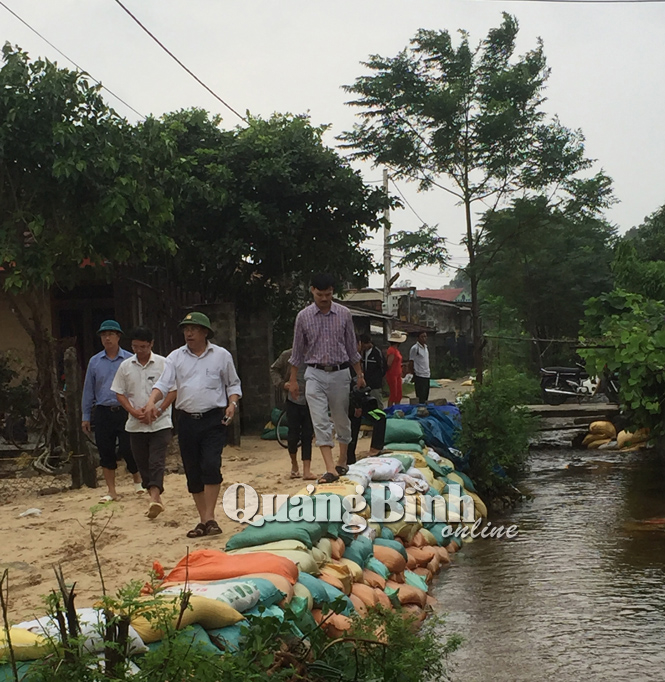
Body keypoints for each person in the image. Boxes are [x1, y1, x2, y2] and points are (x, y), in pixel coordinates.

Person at [144, 312, 241, 538]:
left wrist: (232, 405)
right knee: (193, 471)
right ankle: (204, 519)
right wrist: (151, 401)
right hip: (187, 420)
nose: (189, 333)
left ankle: (210, 517)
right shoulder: (175, 357)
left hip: (213, 419)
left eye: (194, 329)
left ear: (205, 332)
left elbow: (233, 385)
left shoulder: (221, 356)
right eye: (186, 329)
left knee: (210, 464)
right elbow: (164, 383)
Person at [289, 273, 365, 484]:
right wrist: (293, 380)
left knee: (341, 418)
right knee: (320, 420)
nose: (324, 298)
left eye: (328, 294)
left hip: (340, 372)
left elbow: (352, 348)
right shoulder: (303, 317)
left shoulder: (344, 314)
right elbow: (296, 351)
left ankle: (342, 460)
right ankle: (329, 468)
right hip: (313, 373)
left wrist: (359, 375)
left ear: (333, 292)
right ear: (312, 290)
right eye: (320, 294)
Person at [111, 327, 177, 519]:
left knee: (156, 460)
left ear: (151, 345)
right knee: (142, 462)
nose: (138, 350)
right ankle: (155, 498)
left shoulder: (164, 364)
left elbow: (173, 390)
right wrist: (132, 410)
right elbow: (119, 392)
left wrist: (160, 409)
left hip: (160, 422)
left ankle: (154, 497)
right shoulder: (125, 366)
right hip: (136, 423)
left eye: (142, 346)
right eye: (135, 347)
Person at [82, 320, 142, 502]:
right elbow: (88, 390)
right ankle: (111, 490)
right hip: (103, 411)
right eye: (103, 335)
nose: (107, 338)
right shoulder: (95, 362)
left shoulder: (130, 359)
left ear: (118, 337)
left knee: (128, 447)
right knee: (105, 450)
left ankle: (138, 481)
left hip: (125, 410)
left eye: (110, 334)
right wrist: (85, 416)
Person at [270, 349, 315, 480]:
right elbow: (273, 369)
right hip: (292, 400)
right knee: (293, 434)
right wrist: (283, 384)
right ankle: (294, 465)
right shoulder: (288, 355)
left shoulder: (314, 355)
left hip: (310, 400)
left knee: (307, 434)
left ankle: (307, 470)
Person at [347, 383, 387, 465]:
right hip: (352, 400)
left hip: (360, 398)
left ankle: (375, 448)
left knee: (380, 417)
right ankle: (349, 458)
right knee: (354, 423)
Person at [359, 333, 385, 409]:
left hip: (375, 384)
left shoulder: (377, 352)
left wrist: (378, 379)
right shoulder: (363, 353)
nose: (363, 347)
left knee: (377, 403)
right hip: (366, 383)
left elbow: (383, 367)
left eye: (364, 345)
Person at [385, 330, 407, 407]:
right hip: (392, 374)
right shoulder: (391, 350)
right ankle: (390, 409)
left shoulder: (396, 350)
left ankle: (397, 408)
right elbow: (389, 363)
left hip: (397, 374)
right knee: (393, 394)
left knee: (398, 394)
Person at [409, 331, 431, 404]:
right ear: (418, 338)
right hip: (419, 375)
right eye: (422, 337)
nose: (424, 338)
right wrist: (413, 373)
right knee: (420, 396)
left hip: (426, 374)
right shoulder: (415, 348)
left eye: (425, 336)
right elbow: (411, 362)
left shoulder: (426, 347)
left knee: (426, 395)